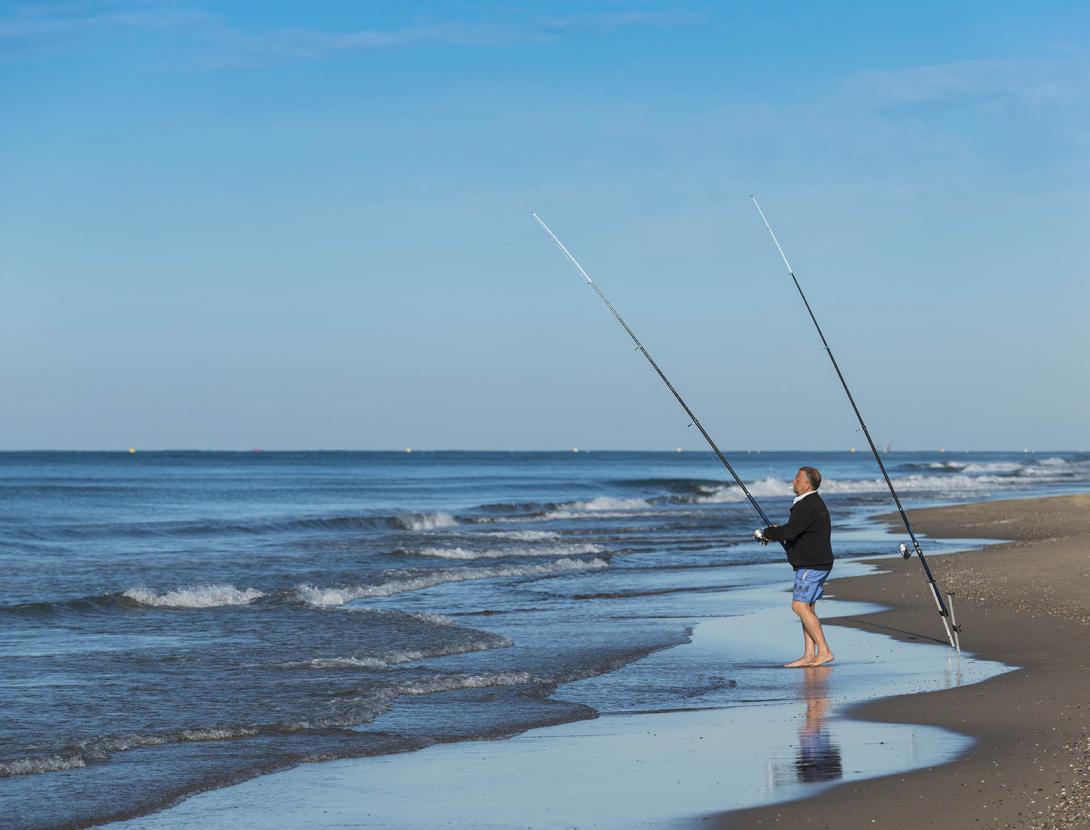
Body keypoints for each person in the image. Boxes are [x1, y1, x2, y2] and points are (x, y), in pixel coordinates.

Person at [754, 466, 835, 667]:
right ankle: (809, 655)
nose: (793, 481)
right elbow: (796, 531)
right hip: (817, 562)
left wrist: (767, 534)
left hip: (812, 565)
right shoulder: (810, 503)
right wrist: (774, 533)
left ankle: (824, 651)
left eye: (797, 479)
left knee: (799, 606)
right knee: (807, 607)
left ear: (806, 484)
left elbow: (790, 531)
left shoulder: (807, 505)